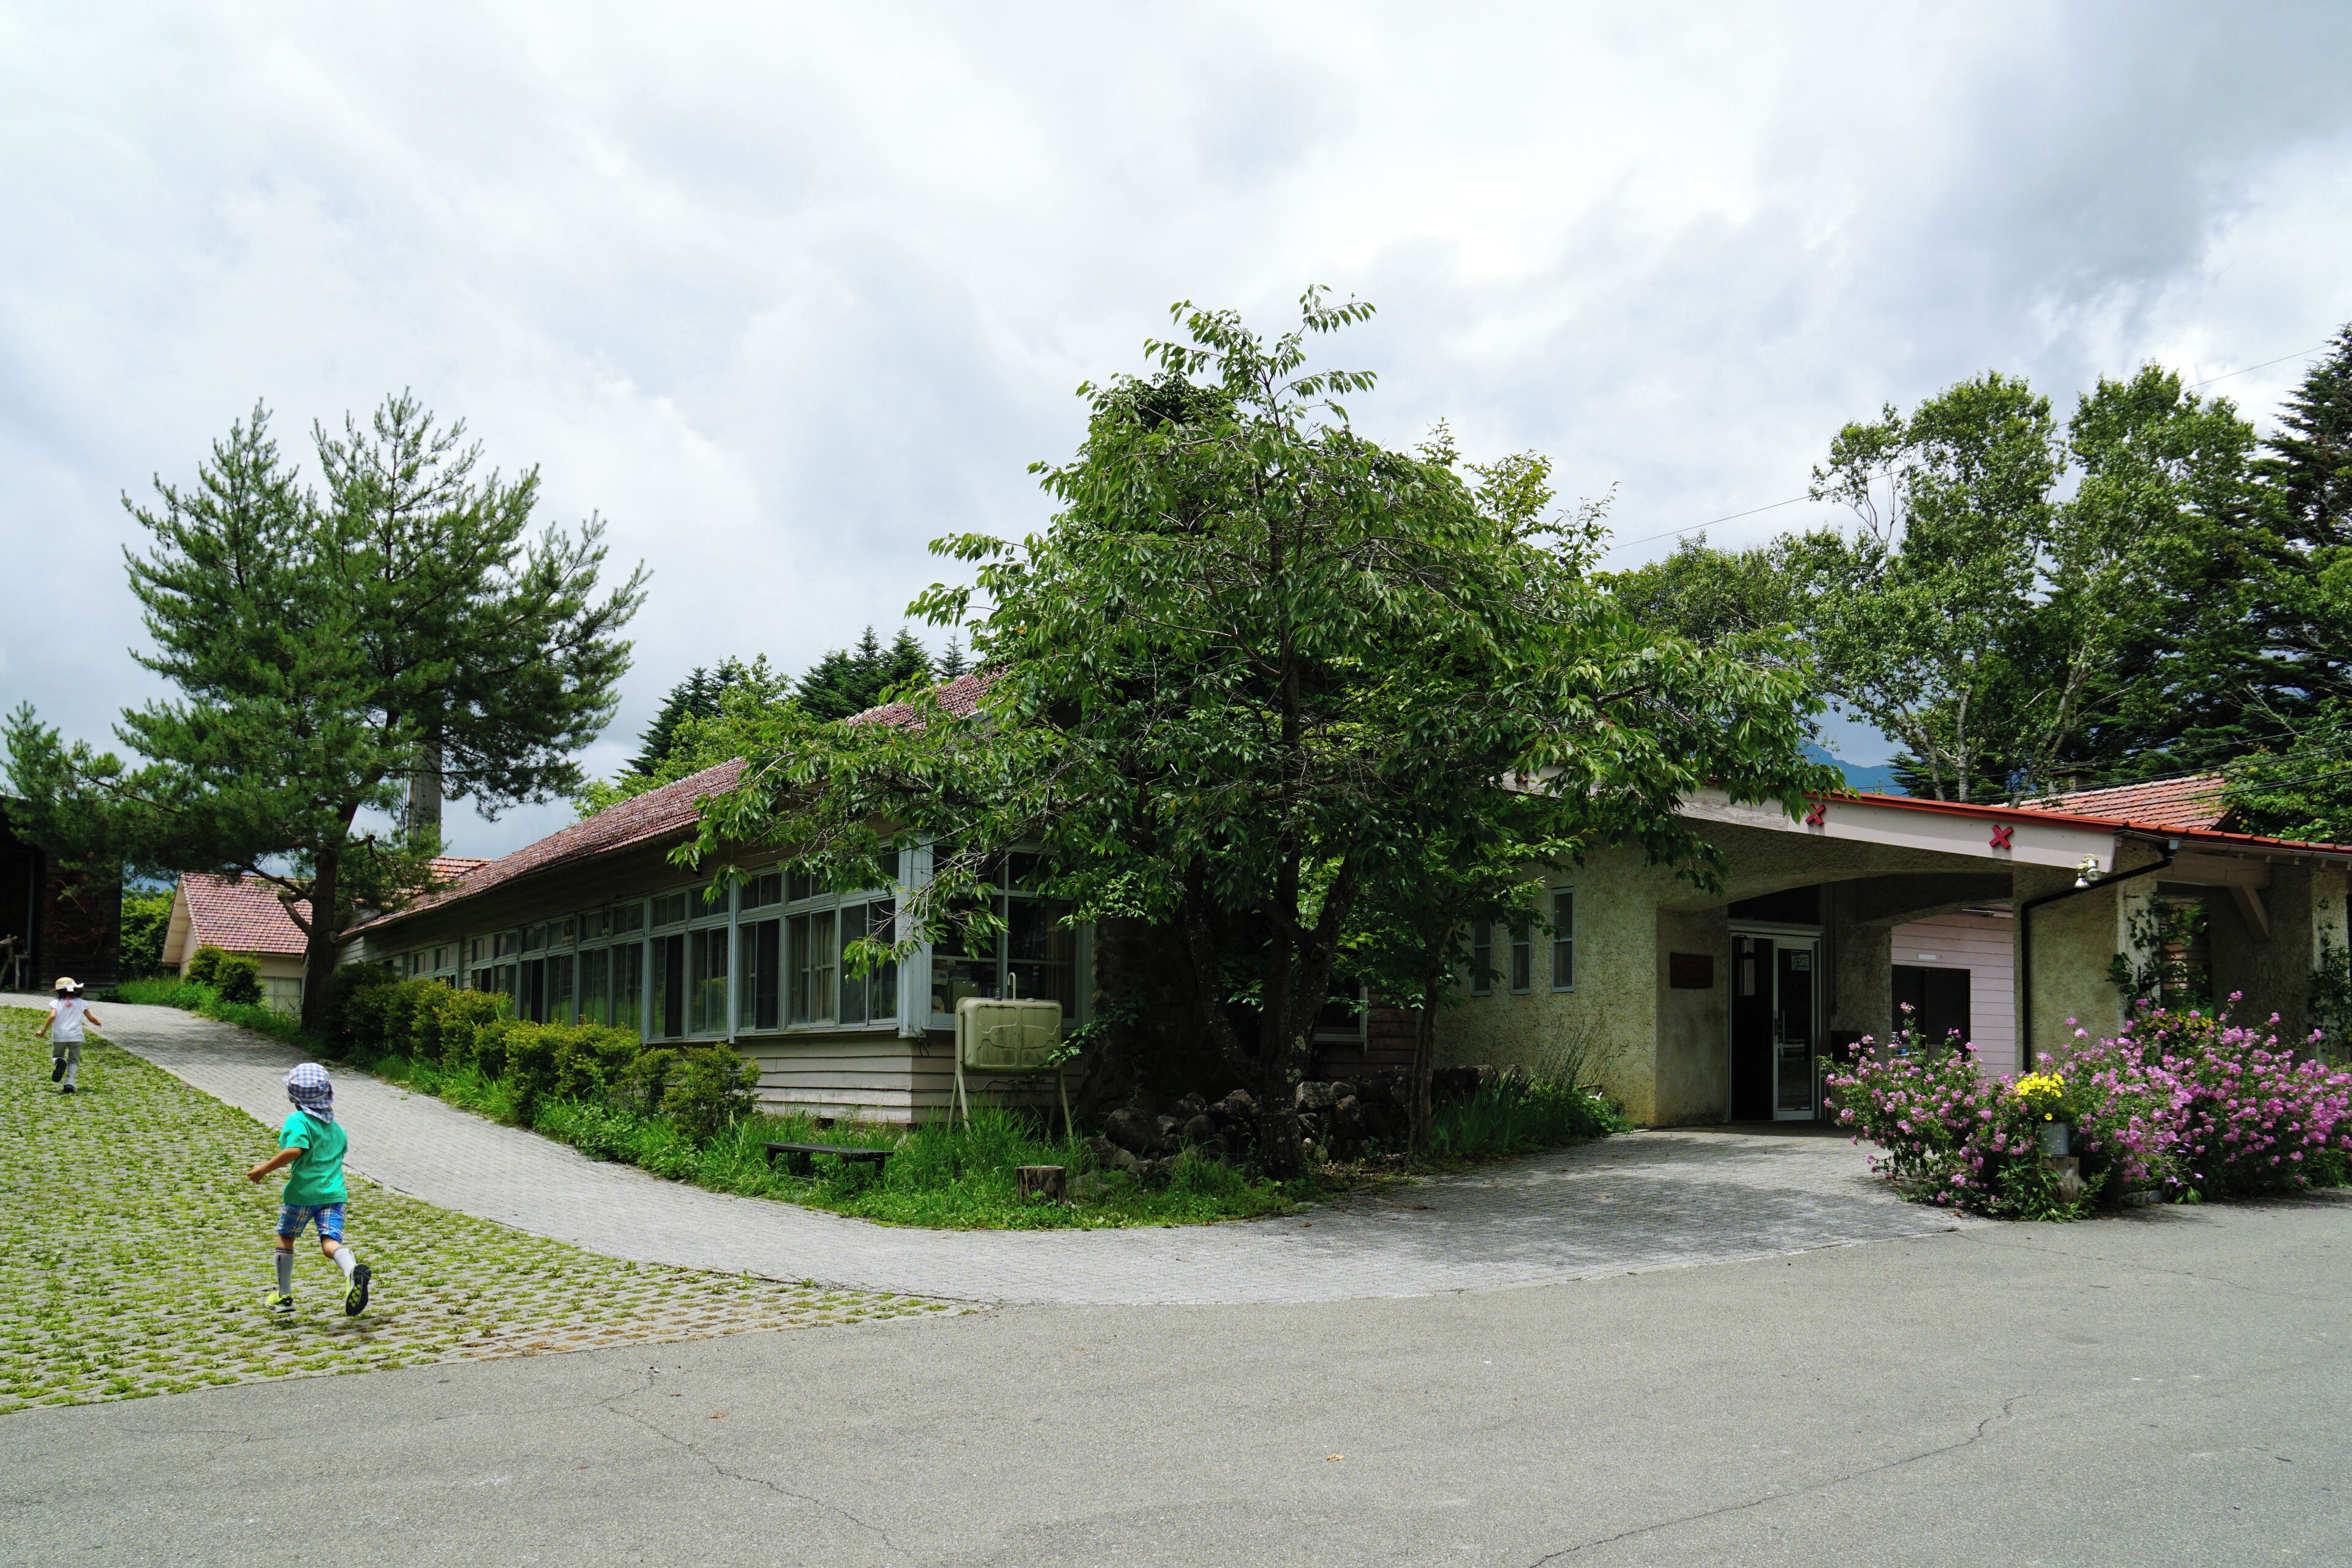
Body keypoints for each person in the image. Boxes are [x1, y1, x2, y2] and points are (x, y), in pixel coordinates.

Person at [245, 1063, 372, 1316]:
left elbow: (295, 1150)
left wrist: (262, 1170)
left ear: (292, 1096)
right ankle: (351, 1271)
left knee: (286, 1238)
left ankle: (283, 1297)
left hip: (302, 1195)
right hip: (335, 1196)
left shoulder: (298, 1120)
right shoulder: (337, 1129)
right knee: (330, 1242)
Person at [40, 977, 99, 1093]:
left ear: (59, 991)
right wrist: (97, 1022)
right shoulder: (82, 1003)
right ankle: (69, 1084)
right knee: (74, 1061)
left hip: (59, 1035)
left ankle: (59, 1062)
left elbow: (52, 1016)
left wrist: (43, 1030)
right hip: (76, 1036)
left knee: (57, 1056)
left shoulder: (56, 1003)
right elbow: (90, 1018)